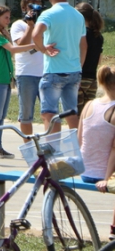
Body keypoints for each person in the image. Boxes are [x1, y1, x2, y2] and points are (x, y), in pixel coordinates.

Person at [32, 0, 86, 132]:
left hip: (54, 70)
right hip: (74, 71)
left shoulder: (48, 14)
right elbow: (84, 45)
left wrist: (43, 49)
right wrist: (79, 67)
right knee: (71, 112)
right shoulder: (78, 15)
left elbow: (36, 34)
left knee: (50, 113)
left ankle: (53, 150)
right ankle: (77, 149)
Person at [0, 5, 35, 158]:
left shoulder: (2, 33)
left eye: (9, 17)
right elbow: (13, 49)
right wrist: (34, 45)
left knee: (2, 115)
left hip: (6, 78)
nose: (8, 20)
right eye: (5, 17)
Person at [77, 65, 115, 241]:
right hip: (102, 175)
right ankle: (113, 229)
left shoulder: (89, 105)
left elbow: (79, 140)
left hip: (84, 172)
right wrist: (106, 179)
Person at [11, 0, 44, 139]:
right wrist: (30, 26)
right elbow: (21, 43)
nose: (35, 9)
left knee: (49, 112)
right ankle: (29, 148)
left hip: (45, 73)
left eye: (38, 5)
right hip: (26, 74)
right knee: (26, 114)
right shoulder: (18, 24)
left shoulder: (44, 24)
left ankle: (49, 146)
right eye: (32, 6)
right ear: (24, 8)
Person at [76, 2, 105, 115]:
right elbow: (99, 60)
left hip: (80, 78)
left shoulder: (81, 34)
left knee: (76, 115)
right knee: (87, 115)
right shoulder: (98, 35)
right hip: (92, 79)